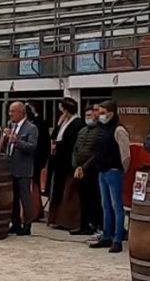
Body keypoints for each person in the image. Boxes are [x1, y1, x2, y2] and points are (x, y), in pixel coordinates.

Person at [77, 101, 130, 253]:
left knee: (116, 206)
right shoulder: (101, 129)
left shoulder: (119, 130)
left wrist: (121, 169)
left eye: (101, 112)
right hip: (102, 170)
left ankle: (118, 239)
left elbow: (126, 155)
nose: (98, 115)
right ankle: (107, 235)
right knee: (105, 206)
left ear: (111, 113)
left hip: (114, 170)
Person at [0, 101, 39, 236]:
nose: (10, 114)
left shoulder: (31, 128)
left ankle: (27, 224)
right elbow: (5, 147)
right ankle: (15, 223)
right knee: (13, 198)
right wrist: (4, 139)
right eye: (10, 111)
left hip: (23, 169)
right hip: (10, 167)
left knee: (25, 198)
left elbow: (32, 147)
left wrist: (16, 141)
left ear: (22, 113)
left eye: (13, 111)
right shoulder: (10, 126)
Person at [46, 98, 83, 230]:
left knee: (69, 191)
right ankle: (56, 219)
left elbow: (71, 142)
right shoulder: (64, 122)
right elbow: (55, 137)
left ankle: (69, 221)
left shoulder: (77, 123)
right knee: (58, 190)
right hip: (58, 160)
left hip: (68, 161)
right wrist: (58, 124)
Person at [69, 106, 102, 236]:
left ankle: (94, 224)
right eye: (86, 114)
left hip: (92, 170)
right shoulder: (82, 131)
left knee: (94, 198)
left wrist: (84, 167)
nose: (88, 116)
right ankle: (83, 225)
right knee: (82, 199)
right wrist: (75, 166)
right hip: (78, 170)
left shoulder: (100, 131)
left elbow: (96, 153)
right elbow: (75, 149)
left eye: (91, 114)